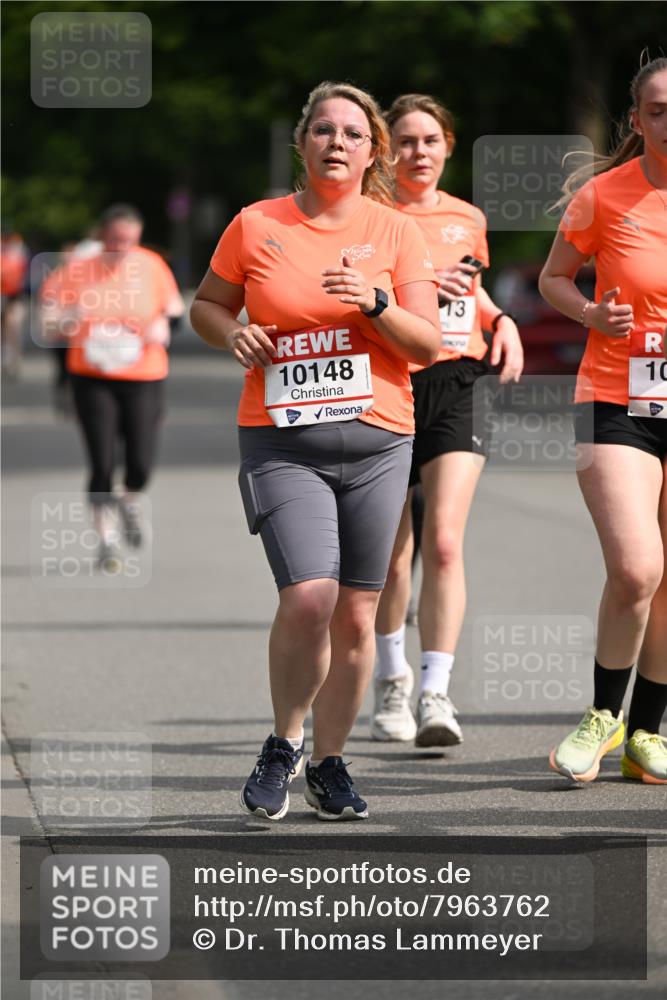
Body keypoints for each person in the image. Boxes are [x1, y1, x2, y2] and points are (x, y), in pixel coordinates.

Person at [190, 81, 440, 821]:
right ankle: (283, 741)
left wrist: (375, 302)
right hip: (280, 440)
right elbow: (207, 304)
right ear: (301, 144)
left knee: (358, 617)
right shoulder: (255, 224)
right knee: (309, 598)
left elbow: (425, 345)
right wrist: (227, 331)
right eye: (323, 130)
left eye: (352, 133)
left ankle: (329, 763)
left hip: (378, 443)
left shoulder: (396, 232)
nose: (337, 141)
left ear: (372, 151)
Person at [371, 94, 523, 746]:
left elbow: (473, 291)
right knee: (391, 552)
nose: (418, 152)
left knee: (445, 541)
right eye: (404, 141)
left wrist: (501, 319)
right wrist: (421, 283)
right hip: (388, 381)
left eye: (429, 140)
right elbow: (364, 295)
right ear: (387, 151)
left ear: (447, 146)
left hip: (456, 378)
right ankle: (392, 682)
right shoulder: (371, 216)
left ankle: (436, 692)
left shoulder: (467, 217)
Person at [540, 55, 667, 784]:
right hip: (617, 396)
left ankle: (646, 734)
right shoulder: (601, 196)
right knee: (635, 567)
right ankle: (601, 716)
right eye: (656, 110)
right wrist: (592, 312)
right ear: (635, 121)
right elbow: (555, 277)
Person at [40, 204, 184, 570]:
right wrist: (66, 318)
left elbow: (174, 309)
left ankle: (129, 500)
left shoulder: (151, 265)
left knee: (140, 461)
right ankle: (106, 541)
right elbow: (47, 322)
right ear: (102, 235)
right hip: (92, 377)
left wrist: (163, 326)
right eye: (116, 239)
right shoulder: (76, 269)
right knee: (101, 460)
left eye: (130, 240)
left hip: (144, 374)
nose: (123, 247)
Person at [1, 228, 29, 379]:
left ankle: (14, 358)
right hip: (3, 295)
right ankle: (7, 356)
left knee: (13, 327)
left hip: (15, 296)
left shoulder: (18, 251)